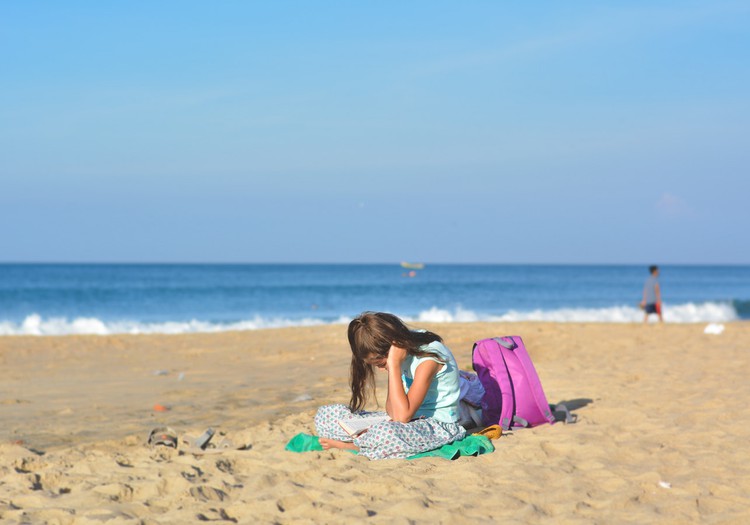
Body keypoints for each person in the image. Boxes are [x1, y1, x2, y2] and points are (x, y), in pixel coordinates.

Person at [314, 312, 466, 460]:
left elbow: (401, 417)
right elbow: (392, 412)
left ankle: (354, 446)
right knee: (326, 415)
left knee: (386, 434)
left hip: (438, 426)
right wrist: (393, 366)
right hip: (407, 420)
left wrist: (393, 365)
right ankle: (366, 441)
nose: (381, 369)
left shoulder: (428, 360)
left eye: (381, 364)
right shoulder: (400, 353)